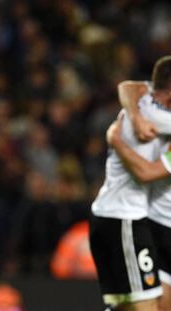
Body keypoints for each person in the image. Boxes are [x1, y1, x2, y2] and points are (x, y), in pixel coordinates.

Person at [89, 56, 171, 311]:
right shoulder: (153, 115)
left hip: (124, 217)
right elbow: (146, 173)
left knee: (132, 305)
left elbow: (128, 86)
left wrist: (122, 130)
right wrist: (122, 135)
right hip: (127, 220)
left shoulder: (145, 106)